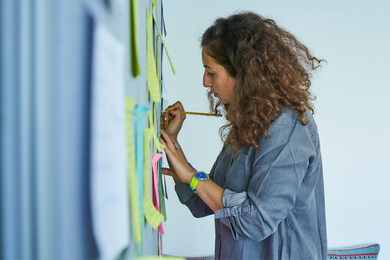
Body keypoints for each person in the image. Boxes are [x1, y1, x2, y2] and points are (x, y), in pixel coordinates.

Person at [160, 11, 327, 260]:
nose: (205, 82)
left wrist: (193, 178)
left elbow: (256, 221)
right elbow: (203, 201)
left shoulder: (287, 126)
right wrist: (172, 142)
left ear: (242, 73)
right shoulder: (250, 121)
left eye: (211, 72)